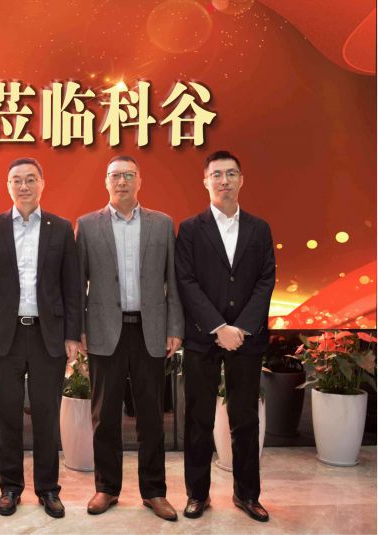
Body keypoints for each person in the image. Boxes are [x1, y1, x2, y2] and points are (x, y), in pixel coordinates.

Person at [75, 156, 183, 521]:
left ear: (140, 181)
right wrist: (79, 328)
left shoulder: (161, 224)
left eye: (128, 175)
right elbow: (77, 283)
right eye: (115, 175)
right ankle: (106, 488)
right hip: (104, 329)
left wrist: (174, 327)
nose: (122, 181)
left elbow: (173, 281)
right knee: (104, 415)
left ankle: (154, 491)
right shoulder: (87, 225)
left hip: (150, 330)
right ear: (106, 182)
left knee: (151, 416)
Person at [0, 157, 82, 518]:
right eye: (17, 180)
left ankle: (48, 489)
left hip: (47, 335)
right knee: (6, 414)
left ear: (42, 184)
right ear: (8, 186)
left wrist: (72, 334)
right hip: (4, 336)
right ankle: (10, 487)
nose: (24, 186)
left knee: (46, 415)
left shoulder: (60, 228)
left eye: (30, 179)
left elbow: (71, 286)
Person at [176, 150, 275, 523]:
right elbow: (186, 281)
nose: (224, 180)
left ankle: (247, 494)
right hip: (203, 337)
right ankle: (197, 494)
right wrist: (218, 327)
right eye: (216, 174)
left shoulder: (259, 229)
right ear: (205, 181)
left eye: (231, 173)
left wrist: (242, 327)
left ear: (241, 179)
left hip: (247, 339)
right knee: (198, 418)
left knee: (245, 418)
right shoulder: (190, 229)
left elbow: (266, 280)